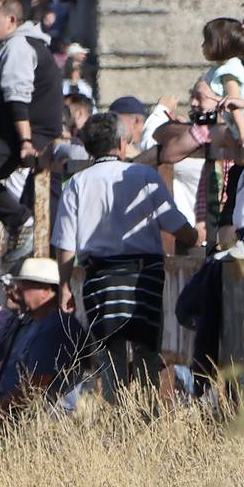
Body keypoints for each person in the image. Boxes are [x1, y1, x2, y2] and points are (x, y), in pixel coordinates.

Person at [52, 113, 194, 395]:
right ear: (121, 143)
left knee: (109, 359)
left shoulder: (78, 183)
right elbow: (175, 224)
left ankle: (116, 413)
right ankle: (147, 411)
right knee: (147, 354)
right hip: (144, 278)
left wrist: (65, 285)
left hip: (100, 279)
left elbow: (65, 243)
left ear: (87, 146)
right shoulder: (144, 175)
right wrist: (195, 237)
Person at [0, 0, 62, 250]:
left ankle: (23, 222)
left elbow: (17, 97)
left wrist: (26, 141)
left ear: (10, 20)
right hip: (26, 134)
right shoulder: (20, 45)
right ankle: (19, 226)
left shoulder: (18, 46)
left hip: (32, 135)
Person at [0, 256, 88, 411]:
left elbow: (36, 385)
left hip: (51, 420)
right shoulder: (32, 325)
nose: (16, 289)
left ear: (46, 290)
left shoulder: (57, 327)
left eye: (24, 285)